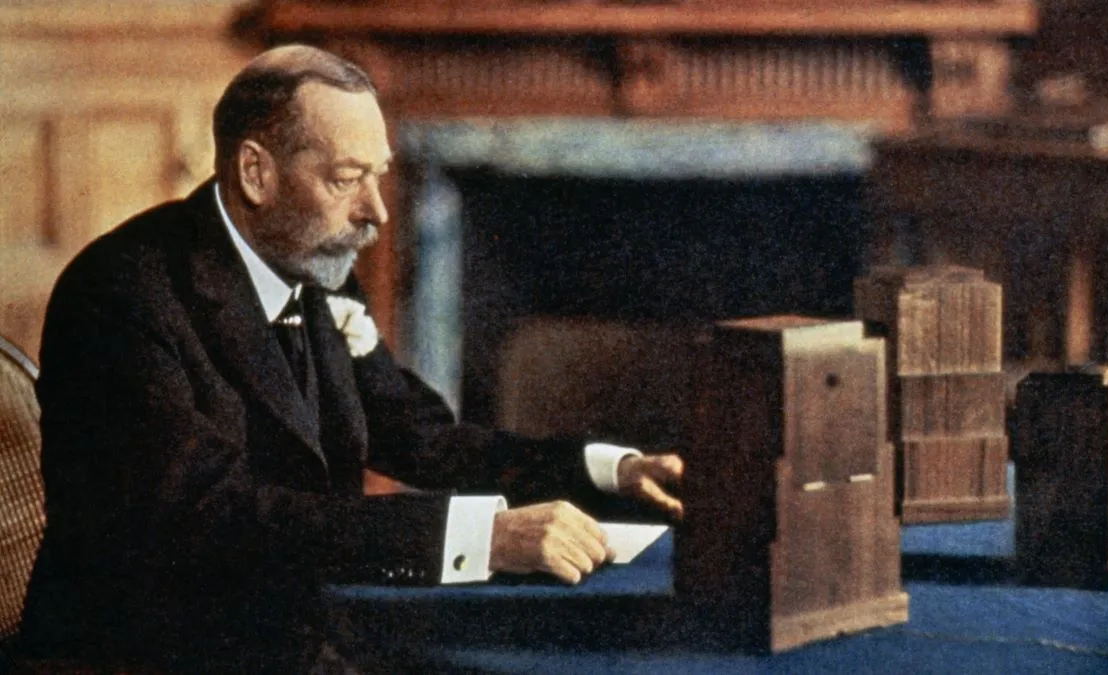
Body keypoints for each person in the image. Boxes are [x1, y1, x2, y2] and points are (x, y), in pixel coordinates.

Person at [19, 44, 683, 673]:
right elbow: (213, 516)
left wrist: (606, 469)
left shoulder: (313, 268)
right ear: (256, 172)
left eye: (379, 176)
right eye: (346, 179)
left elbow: (419, 436)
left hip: (298, 631)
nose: (377, 213)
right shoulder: (122, 294)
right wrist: (484, 535)